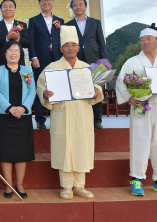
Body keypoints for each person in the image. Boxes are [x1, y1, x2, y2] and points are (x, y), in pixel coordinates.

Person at [36, 26, 103, 200]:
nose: (70, 48)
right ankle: (66, 186)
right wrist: (44, 93)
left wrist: (96, 90)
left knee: (81, 147)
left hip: (82, 114)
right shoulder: (52, 67)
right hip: (62, 113)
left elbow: (97, 86)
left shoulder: (87, 68)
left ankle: (80, 186)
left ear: (78, 48)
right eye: (67, 45)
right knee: (63, 146)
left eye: (74, 44)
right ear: (61, 49)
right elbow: (40, 85)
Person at [116, 24, 157, 197]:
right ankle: (136, 179)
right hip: (140, 107)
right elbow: (121, 82)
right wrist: (129, 98)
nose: (145, 43)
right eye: (142, 40)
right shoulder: (132, 62)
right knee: (139, 141)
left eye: (149, 39)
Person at [0, 41, 36, 198]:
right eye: (10, 50)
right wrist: (10, 108)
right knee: (6, 152)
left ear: (20, 54)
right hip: (4, 116)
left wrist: (23, 108)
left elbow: (32, 91)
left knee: (21, 152)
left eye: (17, 50)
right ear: (5, 53)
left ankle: (20, 184)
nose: (13, 52)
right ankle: (8, 185)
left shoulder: (27, 70)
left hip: (22, 117)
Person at [65, 0, 108, 129]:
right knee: (78, 86)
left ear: (85, 6)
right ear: (72, 8)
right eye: (75, 5)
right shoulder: (67, 25)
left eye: (80, 4)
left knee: (95, 86)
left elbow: (101, 43)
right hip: (76, 59)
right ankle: (79, 118)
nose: (78, 7)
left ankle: (97, 120)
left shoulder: (95, 22)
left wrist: (104, 60)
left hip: (93, 58)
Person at [28, 0, 64, 129]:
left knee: (58, 87)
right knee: (40, 87)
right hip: (40, 58)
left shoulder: (60, 21)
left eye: (48, 0)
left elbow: (63, 40)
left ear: (53, 2)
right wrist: (33, 57)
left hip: (57, 57)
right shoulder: (33, 20)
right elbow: (31, 40)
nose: (46, 2)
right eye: (43, 0)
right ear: (39, 3)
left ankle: (58, 117)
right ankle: (39, 119)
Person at [0, 0, 30, 68]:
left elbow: (27, 43)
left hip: (18, 62)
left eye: (11, 6)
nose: (8, 9)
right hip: (0, 61)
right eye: (5, 7)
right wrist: (6, 38)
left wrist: (18, 38)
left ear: (15, 10)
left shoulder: (22, 25)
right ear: (1, 10)